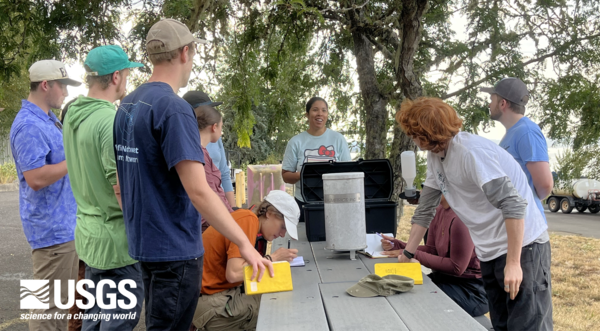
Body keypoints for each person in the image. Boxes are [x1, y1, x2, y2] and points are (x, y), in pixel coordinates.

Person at [113, 19, 272, 330]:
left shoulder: (127, 106)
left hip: (143, 245)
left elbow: (122, 184)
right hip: (175, 252)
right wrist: (244, 243)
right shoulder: (174, 108)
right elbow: (199, 191)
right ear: (185, 53)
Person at [395, 97, 552, 331]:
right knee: (502, 324)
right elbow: (425, 209)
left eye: (415, 133)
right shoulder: (435, 157)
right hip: (488, 251)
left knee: (526, 325)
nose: (413, 139)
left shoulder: (471, 153)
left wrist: (513, 263)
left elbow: (513, 205)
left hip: (523, 248)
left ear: (429, 132)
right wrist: (408, 252)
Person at [62, 45, 145, 330]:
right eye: (126, 73)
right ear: (116, 77)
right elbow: (119, 188)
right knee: (117, 323)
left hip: (89, 237)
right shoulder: (110, 119)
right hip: (116, 244)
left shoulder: (73, 117)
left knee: (94, 321)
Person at [9, 59, 81, 331]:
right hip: (52, 232)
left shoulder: (48, 120)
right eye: (62, 85)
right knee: (47, 311)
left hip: (62, 228)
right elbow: (36, 178)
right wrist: (75, 159)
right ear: (45, 85)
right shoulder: (29, 125)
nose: (65, 92)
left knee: (56, 306)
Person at [191, 190, 300, 331]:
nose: (282, 234)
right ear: (270, 214)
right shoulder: (248, 219)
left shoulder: (249, 220)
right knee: (276, 308)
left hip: (212, 296)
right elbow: (234, 273)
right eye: (283, 227)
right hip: (209, 303)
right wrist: (273, 258)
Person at [379, 195, 488, 317]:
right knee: (398, 288)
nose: (425, 191)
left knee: (411, 303)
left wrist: (411, 253)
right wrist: (400, 246)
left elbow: (457, 267)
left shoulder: (461, 218)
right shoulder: (438, 210)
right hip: (444, 279)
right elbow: (432, 249)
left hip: (471, 291)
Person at [482, 78, 553, 221]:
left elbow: (545, 185)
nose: (489, 104)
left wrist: (528, 199)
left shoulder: (527, 132)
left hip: (528, 227)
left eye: (492, 99)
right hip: (515, 224)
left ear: (503, 103)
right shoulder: (513, 132)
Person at [282, 97, 352, 221]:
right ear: (307, 114)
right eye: (315, 110)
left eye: (324, 110)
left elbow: (349, 173)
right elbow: (286, 176)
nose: (320, 114)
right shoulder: (295, 142)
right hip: (304, 203)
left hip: (335, 202)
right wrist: (305, 174)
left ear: (327, 115)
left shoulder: (338, 139)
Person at [183, 90, 236, 207]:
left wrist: (233, 210)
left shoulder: (214, 137)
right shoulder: (185, 144)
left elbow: (224, 172)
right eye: (208, 109)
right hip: (204, 208)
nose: (212, 113)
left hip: (220, 204)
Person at [190, 104, 234, 231]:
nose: (222, 132)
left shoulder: (200, 151)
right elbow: (210, 193)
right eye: (221, 127)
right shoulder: (199, 154)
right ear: (214, 127)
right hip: (208, 224)